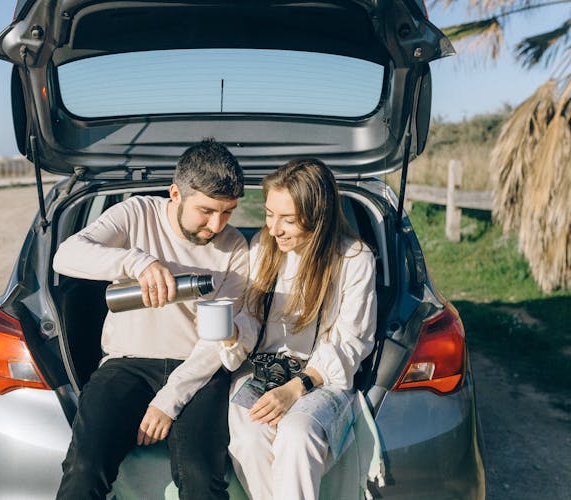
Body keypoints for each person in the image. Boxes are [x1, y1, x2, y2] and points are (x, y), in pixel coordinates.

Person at [52, 138, 249, 500]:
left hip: (199, 371)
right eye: (206, 211)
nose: (217, 225)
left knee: (201, 476)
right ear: (176, 193)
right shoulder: (136, 214)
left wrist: (167, 401)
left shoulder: (235, 247)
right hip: (126, 365)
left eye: (228, 212)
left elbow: (218, 339)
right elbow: (65, 256)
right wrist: (136, 261)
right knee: (84, 466)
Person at [220, 158, 377, 500]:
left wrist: (296, 388)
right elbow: (251, 321)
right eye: (268, 214)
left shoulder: (355, 260)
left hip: (322, 376)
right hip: (260, 369)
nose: (274, 229)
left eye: (288, 220)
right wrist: (232, 333)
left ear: (318, 218)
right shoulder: (263, 248)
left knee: (297, 434)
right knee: (249, 438)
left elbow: (352, 343)